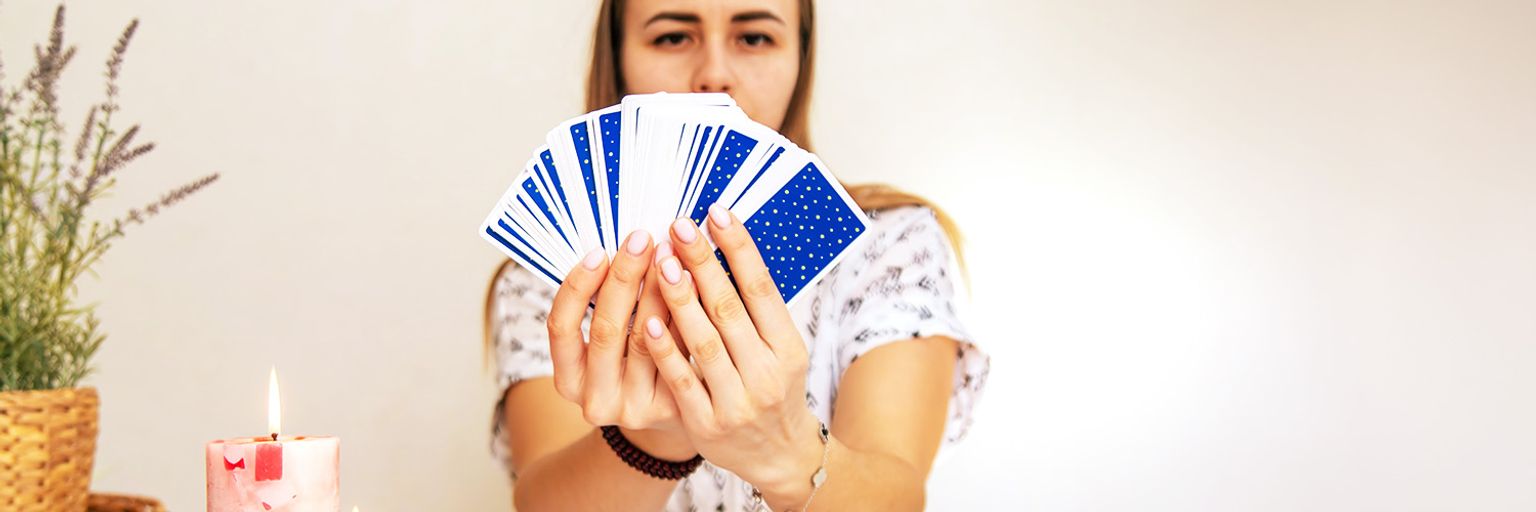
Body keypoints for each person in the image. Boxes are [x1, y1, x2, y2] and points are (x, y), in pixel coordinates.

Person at [485, 0, 990, 509]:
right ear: (617, 57)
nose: (714, 74)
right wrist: (656, 437)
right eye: (672, 37)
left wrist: (787, 449)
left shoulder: (889, 246)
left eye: (754, 38)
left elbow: (896, 495)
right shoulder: (550, 275)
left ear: (800, 58)